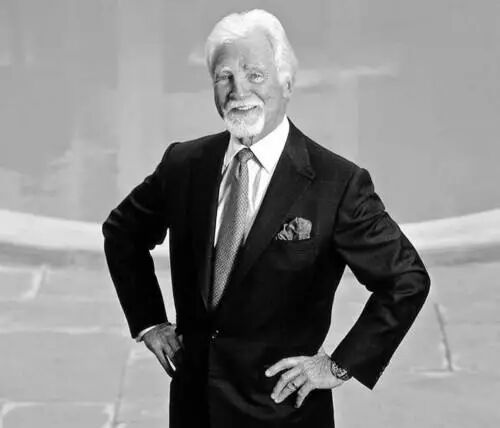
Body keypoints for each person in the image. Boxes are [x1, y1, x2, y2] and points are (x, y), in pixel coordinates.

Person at [102, 9, 430, 428]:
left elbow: (406, 280)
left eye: (255, 75)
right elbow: (123, 232)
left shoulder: (337, 183)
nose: (238, 90)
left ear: (287, 82)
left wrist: (338, 365)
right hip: (194, 408)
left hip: (283, 413)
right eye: (224, 77)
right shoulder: (184, 164)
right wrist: (149, 322)